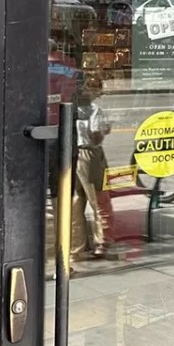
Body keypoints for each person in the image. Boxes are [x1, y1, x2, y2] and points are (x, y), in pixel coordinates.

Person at [71, 76, 113, 260]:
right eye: (97, 91)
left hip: (72, 154)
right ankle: (101, 242)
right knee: (99, 199)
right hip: (90, 155)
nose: (98, 96)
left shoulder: (71, 108)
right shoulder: (95, 110)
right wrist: (105, 129)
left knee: (76, 201)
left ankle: (76, 247)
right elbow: (96, 137)